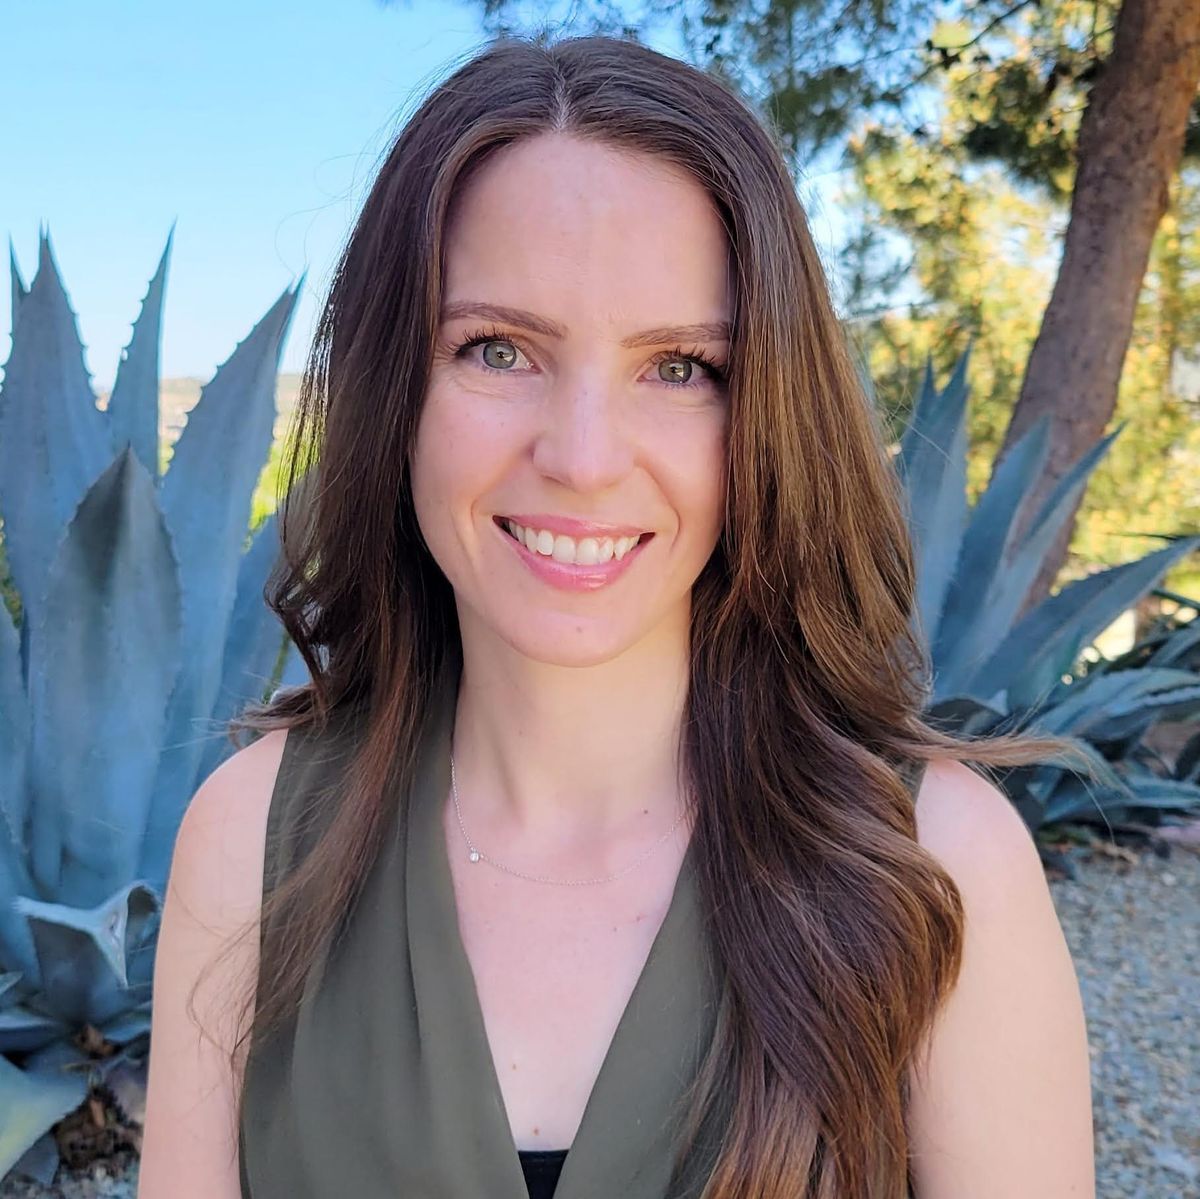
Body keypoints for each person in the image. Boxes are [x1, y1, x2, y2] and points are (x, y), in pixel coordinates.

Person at [137, 32, 1096, 1199]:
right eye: (497, 348)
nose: (583, 458)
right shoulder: (249, 842)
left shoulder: (938, 866)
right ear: (398, 389)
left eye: (681, 366)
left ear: (768, 412)